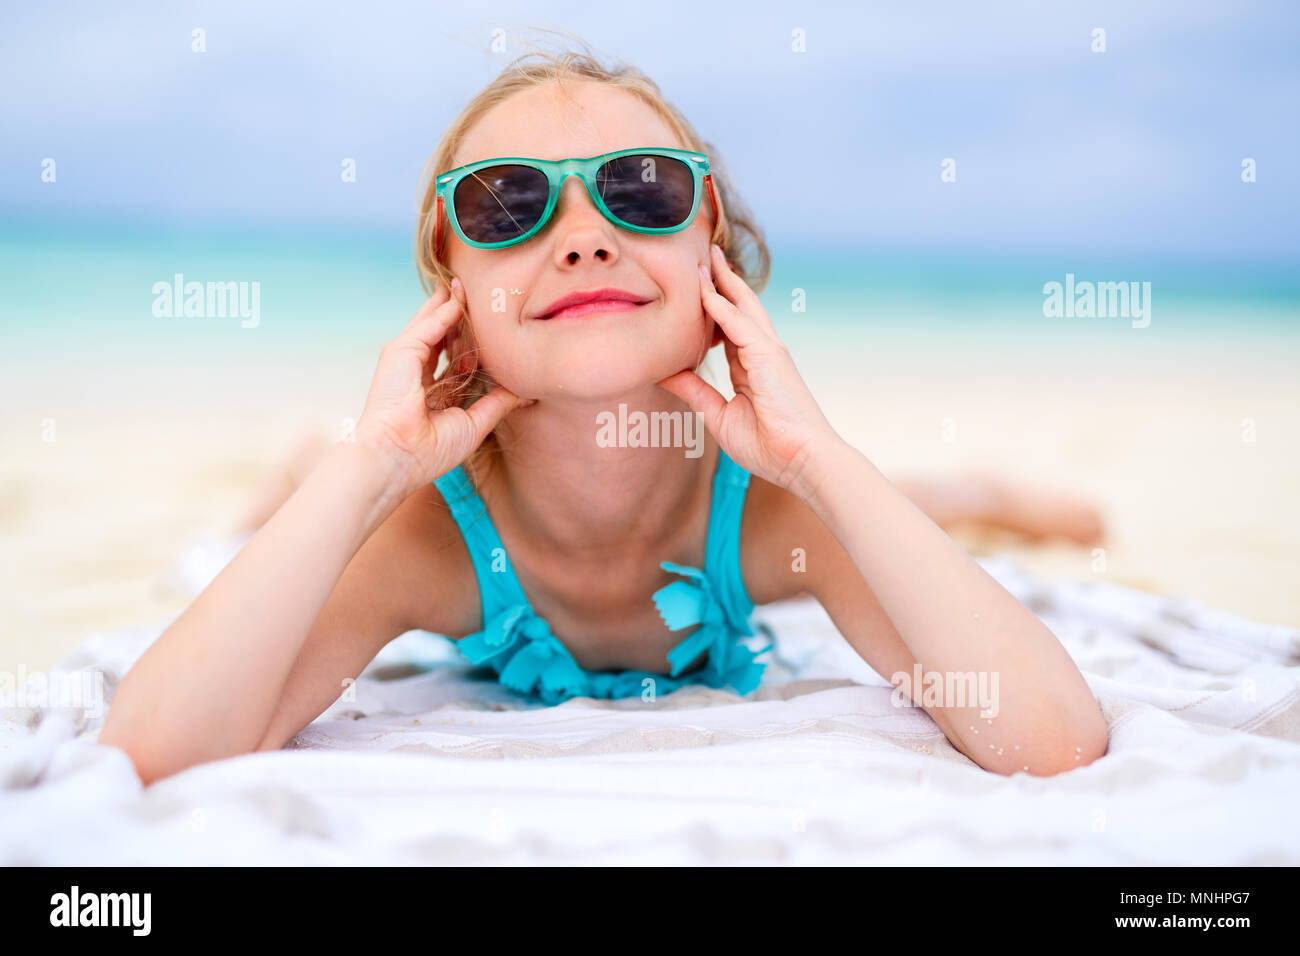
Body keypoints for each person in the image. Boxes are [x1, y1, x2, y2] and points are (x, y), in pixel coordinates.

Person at [101, 46, 1108, 784]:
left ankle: (984, 488)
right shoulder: (422, 537)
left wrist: (819, 458)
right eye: (507, 205)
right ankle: (299, 464)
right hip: (433, 475)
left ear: (713, 253)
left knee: (904, 499)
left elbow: (1051, 740)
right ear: (450, 287)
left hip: (726, 478)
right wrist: (363, 464)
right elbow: (150, 751)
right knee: (303, 495)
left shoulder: (774, 510)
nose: (582, 237)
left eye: (642, 190)